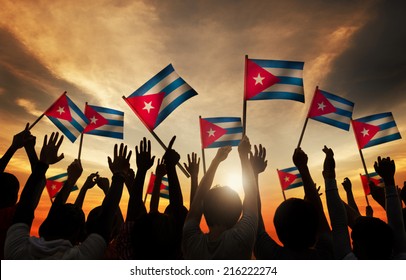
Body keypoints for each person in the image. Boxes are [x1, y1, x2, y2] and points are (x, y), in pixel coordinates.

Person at [4, 133, 131, 259]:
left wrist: (45, 165)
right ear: (81, 235)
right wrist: (118, 176)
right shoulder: (80, 259)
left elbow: (25, 207)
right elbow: (106, 220)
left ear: (45, 224)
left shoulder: (16, 250)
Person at [182, 135, 258, 259]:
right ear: (238, 213)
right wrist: (244, 156)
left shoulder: (192, 242)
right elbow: (251, 194)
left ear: (204, 210)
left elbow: (198, 199)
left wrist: (216, 161)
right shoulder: (242, 238)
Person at [255, 146, 333, 260]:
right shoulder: (327, 254)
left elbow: (254, 217)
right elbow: (318, 213)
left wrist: (253, 174)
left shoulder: (273, 257)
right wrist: (303, 167)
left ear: (279, 232)